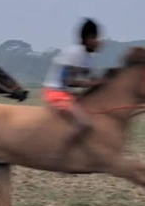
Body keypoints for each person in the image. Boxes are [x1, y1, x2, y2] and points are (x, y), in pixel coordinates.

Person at [41, 19, 103, 151]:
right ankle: (62, 151)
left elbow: (93, 78)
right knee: (84, 123)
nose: (100, 41)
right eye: (96, 38)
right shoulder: (76, 53)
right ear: (88, 39)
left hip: (65, 92)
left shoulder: (87, 57)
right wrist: (91, 83)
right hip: (55, 92)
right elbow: (67, 81)